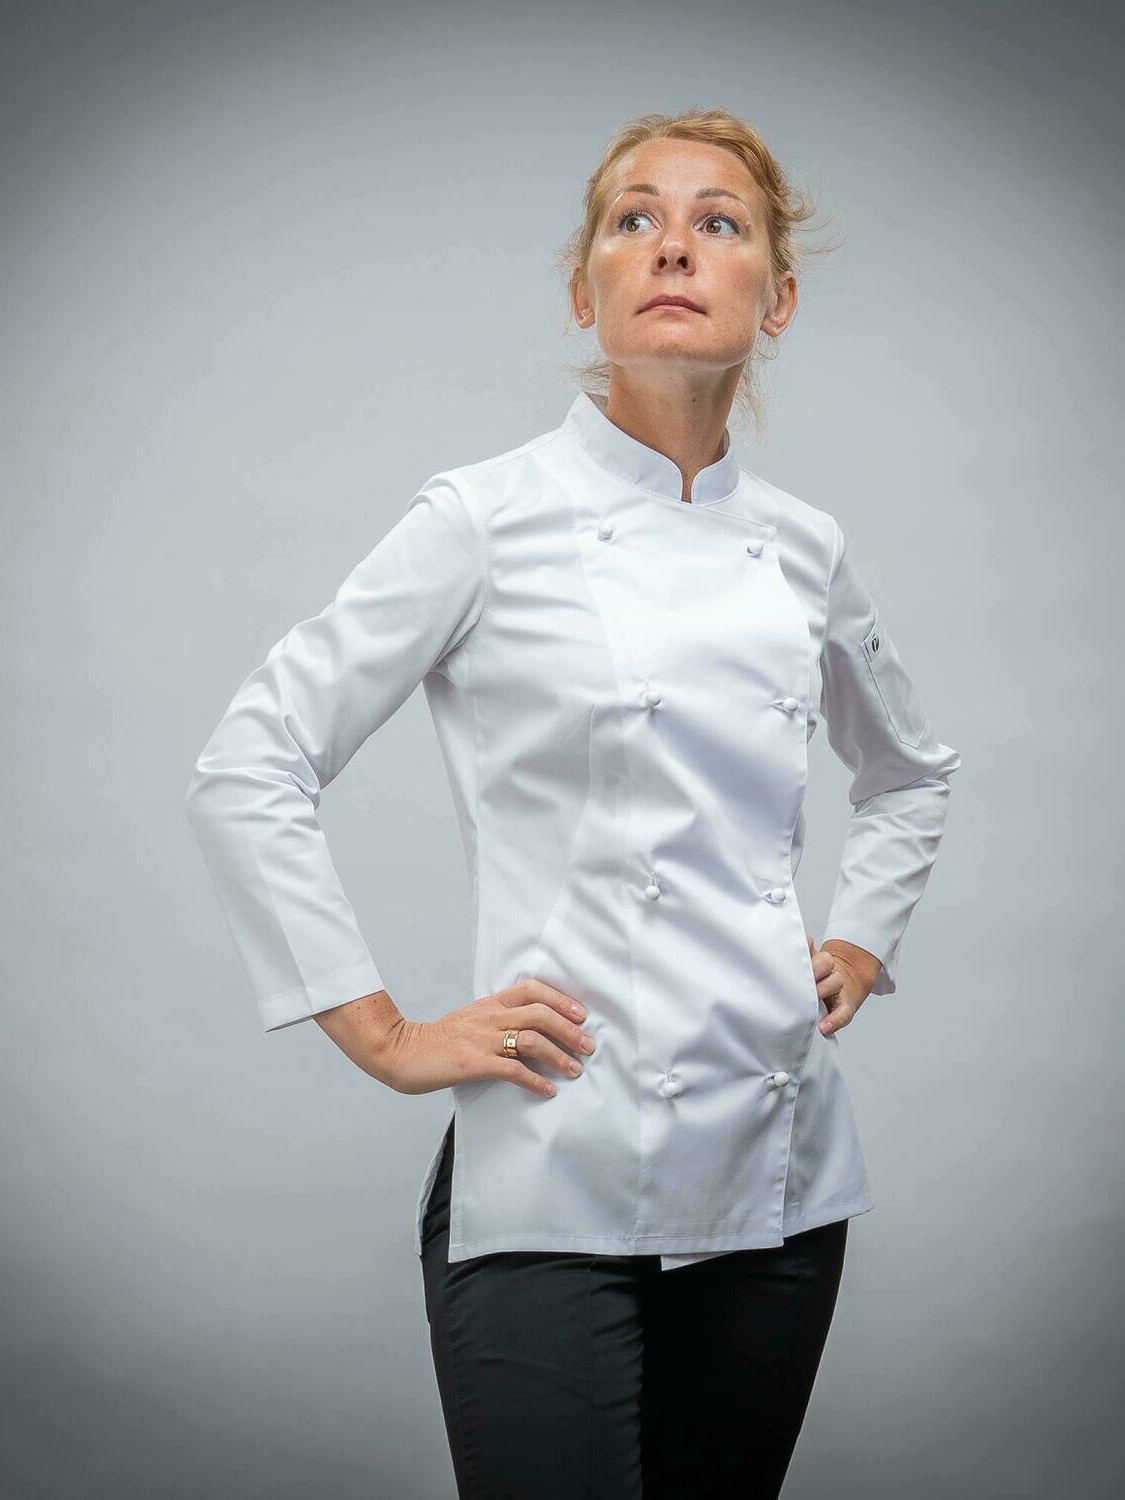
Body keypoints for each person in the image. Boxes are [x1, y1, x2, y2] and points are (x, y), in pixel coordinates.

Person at [186, 107, 961, 1498]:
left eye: (718, 222)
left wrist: (861, 936)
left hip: (777, 1182)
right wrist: (383, 1034)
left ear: (776, 298)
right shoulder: (484, 518)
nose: (672, 245)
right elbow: (251, 761)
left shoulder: (802, 548)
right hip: (550, 1163)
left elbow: (908, 770)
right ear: (583, 287)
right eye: (632, 219)